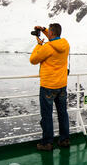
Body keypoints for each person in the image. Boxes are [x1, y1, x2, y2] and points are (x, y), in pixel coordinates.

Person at [30, 23, 70, 151]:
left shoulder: (47, 47)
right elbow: (54, 39)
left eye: (49, 33)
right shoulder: (65, 44)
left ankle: (47, 142)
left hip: (48, 86)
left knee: (47, 116)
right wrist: (44, 30)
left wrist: (38, 44)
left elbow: (33, 60)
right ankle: (64, 140)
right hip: (62, 86)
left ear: (51, 33)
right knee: (63, 114)